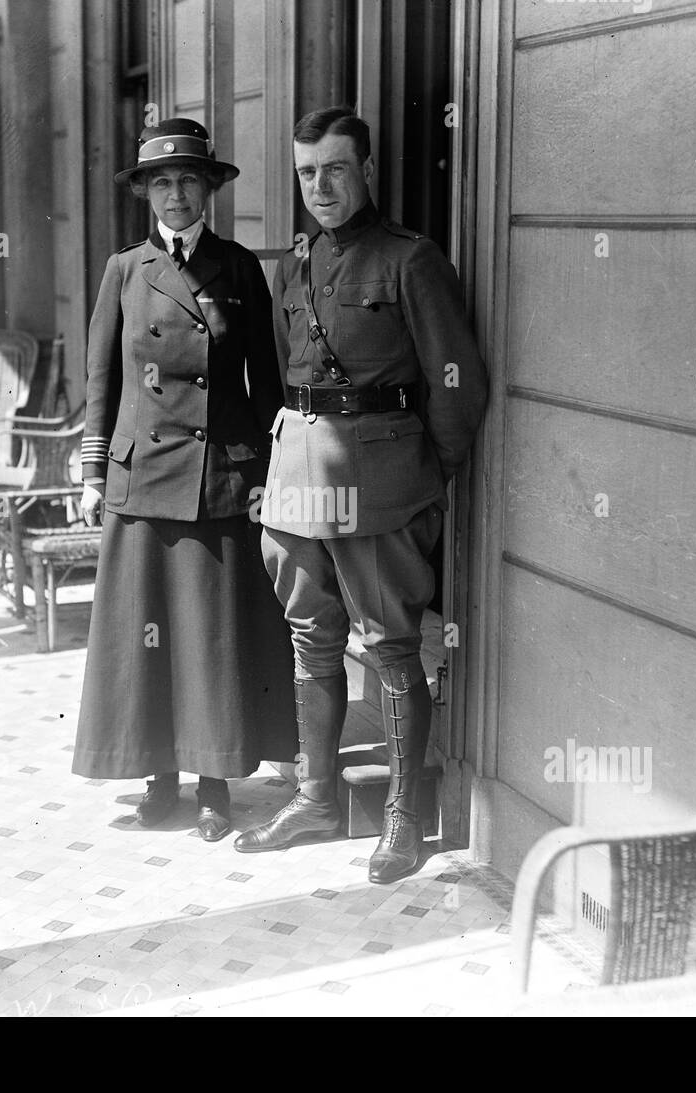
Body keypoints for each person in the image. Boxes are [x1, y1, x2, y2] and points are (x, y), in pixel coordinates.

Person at [234, 107, 488, 883]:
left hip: (380, 479)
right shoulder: (296, 264)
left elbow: (458, 382)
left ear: (367, 171)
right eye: (308, 173)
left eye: (337, 169)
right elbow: (289, 374)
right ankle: (316, 798)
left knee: (390, 646)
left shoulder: (411, 262)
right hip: (299, 473)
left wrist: (423, 473)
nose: (321, 187)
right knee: (311, 639)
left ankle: (404, 820)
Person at [72, 118, 296, 841]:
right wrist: (90, 469)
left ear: (209, 190)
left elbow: (267, 387)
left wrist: (272, 475)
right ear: (146, 193)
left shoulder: (238, 270)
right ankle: (158, 780)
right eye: (161, 183)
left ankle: (213, 786)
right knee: (148, 635)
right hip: (142, 477)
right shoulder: (124, 271)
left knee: (211, 635)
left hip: (220, 478)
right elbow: (101, 378)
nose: (175, 194)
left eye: (188, 181)